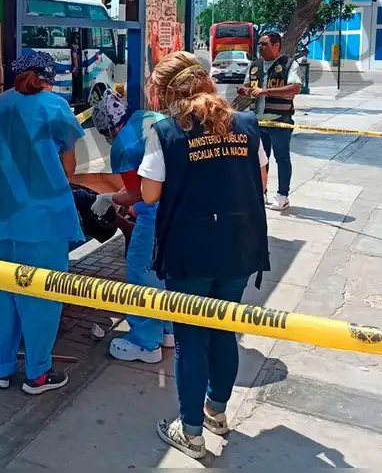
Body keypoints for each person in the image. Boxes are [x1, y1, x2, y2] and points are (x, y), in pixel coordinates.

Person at [139, 51, 269, 459]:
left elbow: (149, 194)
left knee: (191, 338)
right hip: (239, 245)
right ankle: (216, 410)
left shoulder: (166, 132)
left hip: (189, 251)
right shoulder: (246, 124)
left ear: (165, 92)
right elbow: (261, 182)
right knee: (223, 328)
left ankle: (191, 432)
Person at [0, 51, 84, 395]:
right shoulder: (56, 107)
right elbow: (68, 168)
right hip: (43, 222)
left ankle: (0, 370)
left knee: (0, 295)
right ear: (48, 78)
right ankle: (37, 374)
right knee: (42, 297)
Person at [90, 87, 175, 363]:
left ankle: (146, 343)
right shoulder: (150, 117)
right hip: (178, 210)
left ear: (109, 129)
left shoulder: (124, 145)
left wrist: (109, 198)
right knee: (164, 272)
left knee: (141, 273)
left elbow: (137, 192)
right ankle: (168, 330)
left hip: (155, 214)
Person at [238, 32, 301, 211]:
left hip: (280, 120)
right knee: (260, 160)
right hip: (257, 121)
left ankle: (283, 195)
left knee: (281, 158)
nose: (260, 47)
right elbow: (249, 85)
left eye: (264, 44)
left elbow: (295, 88)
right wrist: (244, 90)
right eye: (259, 44)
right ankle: (261, 191)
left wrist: (266, 92)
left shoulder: (289, 64)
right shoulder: (255, 65)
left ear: (276, 45)